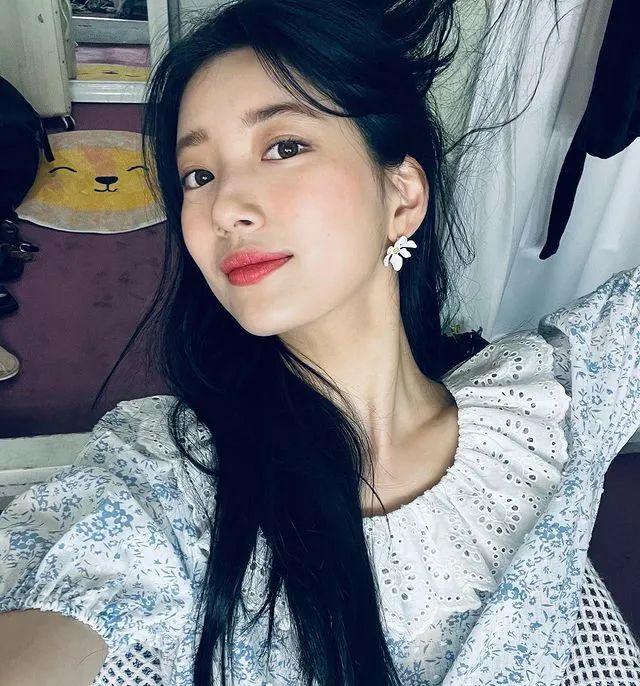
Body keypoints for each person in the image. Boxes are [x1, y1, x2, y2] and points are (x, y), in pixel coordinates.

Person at [1, 0, 639, 684]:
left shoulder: (558, 397)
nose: (225, 208)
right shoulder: (163, 474)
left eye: (283, 147)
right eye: (199, 175)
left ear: (401, 197)